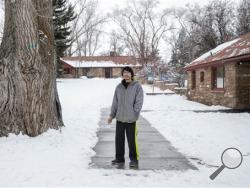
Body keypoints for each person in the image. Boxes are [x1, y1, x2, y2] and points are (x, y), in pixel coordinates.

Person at [107, 66, 144, 168]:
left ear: (131, 74)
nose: (126, 74)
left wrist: (135, 113)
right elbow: (115, 102)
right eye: (124, 73)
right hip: (120, 118)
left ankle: (134, 159)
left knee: (132, 140)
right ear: (122, 74)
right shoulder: (119, 87)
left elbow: (139, 101)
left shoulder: (137, 86)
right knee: (119, 139)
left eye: (128, 72)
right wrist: (111, 115)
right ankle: (119, 159)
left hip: (131, 119)